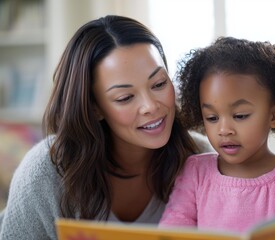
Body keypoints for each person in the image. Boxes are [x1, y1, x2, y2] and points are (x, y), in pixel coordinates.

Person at [0, 15, 212, 240]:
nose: (150, 106)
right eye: (125, 97)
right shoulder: (47, 171)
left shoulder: (200, 156)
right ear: (94, 108)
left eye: (159, 84)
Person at [159, 37, 275, 233]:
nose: (224, 129)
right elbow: (173, 233)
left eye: (240, 116)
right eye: (212, 118)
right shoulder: (195, 172)